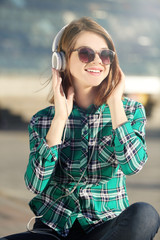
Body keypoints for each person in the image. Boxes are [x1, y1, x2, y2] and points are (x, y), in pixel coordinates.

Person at [1, 17, 160, 240]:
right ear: (62, 61)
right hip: (54, 230)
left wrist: (115, 103)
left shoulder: (130, 111)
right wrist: (59, 120)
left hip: (105, 227)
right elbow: (35, 184)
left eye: (106, 55)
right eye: (86, 53)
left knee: (145, 214)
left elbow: (133, 165)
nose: (98, 61)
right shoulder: (43, 120)